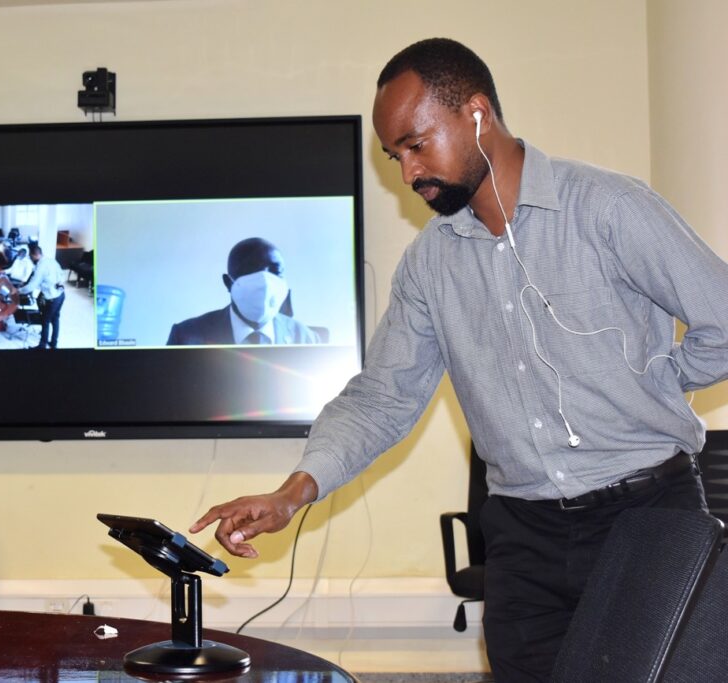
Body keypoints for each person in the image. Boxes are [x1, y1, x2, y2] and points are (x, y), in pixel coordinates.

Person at [190, 38, 728, 682]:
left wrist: (655, 381)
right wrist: (291, 494)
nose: (408, 173)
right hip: (522, 536)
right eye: (395, 157)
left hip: (645, 518)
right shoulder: (428, 265)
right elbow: (382, 397)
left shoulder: (609, 209)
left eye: (417, 145)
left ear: (477, 114)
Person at [166, 237, 321, 346]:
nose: (265, 282)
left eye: (275, 271)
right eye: (250, 269)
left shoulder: (307, 338)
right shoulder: (185, 336)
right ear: (228, 283)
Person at [18, 245, 65, 349]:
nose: (30, 259)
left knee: (45, 320)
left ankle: (42, 346)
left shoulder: (41, 266)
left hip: (52, 298)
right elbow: (62, 275)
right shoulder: (51, 260)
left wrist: (18, 291)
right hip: (61, 295)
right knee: (55, 319)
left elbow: (31, 286)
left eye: (30, 257)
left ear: (34, 255)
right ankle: (54, 343)